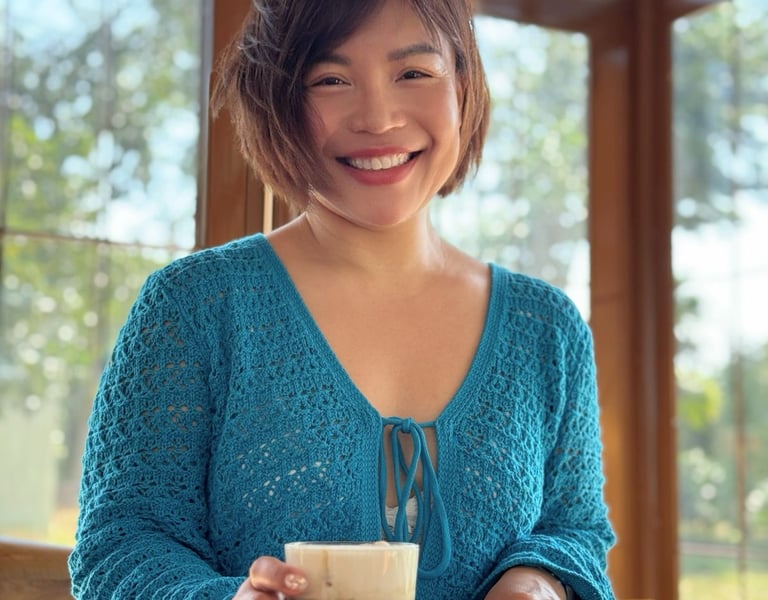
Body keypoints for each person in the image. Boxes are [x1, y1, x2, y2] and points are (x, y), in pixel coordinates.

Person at [68, 0, 616, 598]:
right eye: (330, 80)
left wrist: (537, 582)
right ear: (279, 103)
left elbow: (576, 529)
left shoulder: (547, 328)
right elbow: (119, 545)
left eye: (414, 73)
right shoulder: (194, 306)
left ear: (464, 84)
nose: (378, 118)